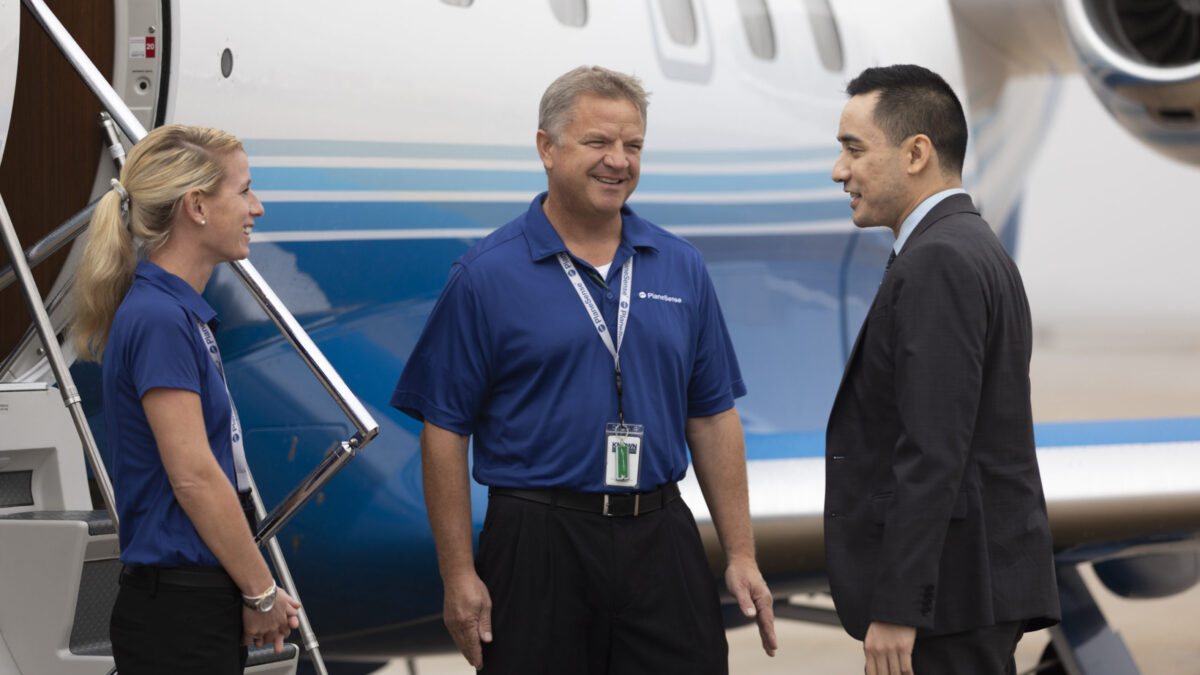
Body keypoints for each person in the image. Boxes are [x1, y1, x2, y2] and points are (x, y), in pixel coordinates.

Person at [391, 65, 777, 674]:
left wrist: (741, 553)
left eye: (633, 145)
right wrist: (459, 574)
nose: (618, 161)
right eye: (598, 142)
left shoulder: (681, 266)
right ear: (547, 148)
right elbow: (444, 432)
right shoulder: (485, 276)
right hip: (538, 543)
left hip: (660, 536)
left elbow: (711, 416)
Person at [824, 64, 1061, 675]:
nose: (839, 170)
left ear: (916, 154)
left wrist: (899, 606)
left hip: (949, 602)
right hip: (967, 592)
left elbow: (933, 450)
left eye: (854, 149)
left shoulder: (939, 261)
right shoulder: (972, 245)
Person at [70, 124, 301, 674]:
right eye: (244, 191)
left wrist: (244, 588)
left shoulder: (174, 313)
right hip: (179, 612)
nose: (257, 208)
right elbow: (194, 477)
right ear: (196, 206)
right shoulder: (160, 319)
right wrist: (260, 590)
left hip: (193, 600)